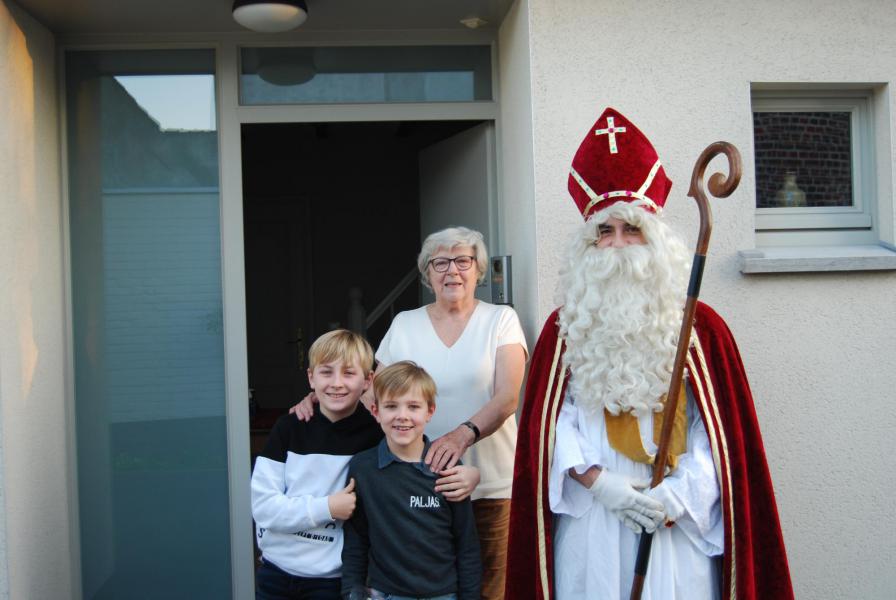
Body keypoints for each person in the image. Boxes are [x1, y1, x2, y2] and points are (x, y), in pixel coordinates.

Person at [506, 108, 793, 600]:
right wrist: (599, 483)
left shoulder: (701, 329)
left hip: (676, 522)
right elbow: (554, 423)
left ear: (656, 237)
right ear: (588, 244)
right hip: (594, 517)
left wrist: (677, 498)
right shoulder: (564, 328)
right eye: (605, 232)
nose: (618, 245)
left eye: (631, 229)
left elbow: (717, 436)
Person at [296, 226, 527, 600]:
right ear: (428, 273)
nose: (452, 270)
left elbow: (506, 398)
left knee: (488, 589)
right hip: (419, 486)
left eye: (462, 260)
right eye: (440, 262)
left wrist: (461, 436)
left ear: (478, 270)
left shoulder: (500, 319)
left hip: (490, 484)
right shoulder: (405, 324)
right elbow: (372, 391)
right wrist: (319, 399)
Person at [341, 361, 481, 600]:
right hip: (384, 593)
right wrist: (351, 590)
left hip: (442, 594)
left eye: (413, 406)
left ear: (429, 411)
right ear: (376, 411)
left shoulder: (448, 470)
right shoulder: (363, 468)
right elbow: (357, 538)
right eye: (391, 406)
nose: (402, 416)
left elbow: (466, 545)